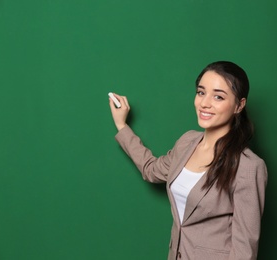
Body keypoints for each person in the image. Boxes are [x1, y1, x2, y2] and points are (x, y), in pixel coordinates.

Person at [109, 61, 268, 260]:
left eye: (218, 96)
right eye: (201, 92)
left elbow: (245, 250)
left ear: (239, 105)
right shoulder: (187, 142)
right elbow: (151, 169)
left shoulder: (248, 166)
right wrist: (122, 126)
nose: (205, 103)